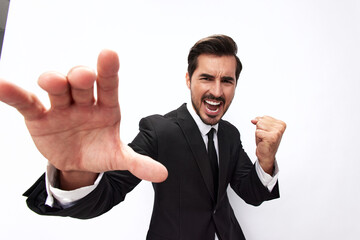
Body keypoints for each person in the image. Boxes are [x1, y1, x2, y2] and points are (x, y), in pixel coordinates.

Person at [0, 35, 286, 240]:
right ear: (188, 79)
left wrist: (266, 160)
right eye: (206, 78)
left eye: (227, 81)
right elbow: (110, 192)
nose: (217, 91)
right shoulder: (159, 130)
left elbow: (253, 194)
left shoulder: (230, 135)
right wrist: (75, 172)